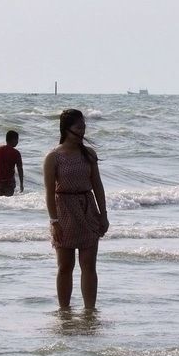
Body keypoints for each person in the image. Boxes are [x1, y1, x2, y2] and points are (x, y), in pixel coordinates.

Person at [43, 109, 109, 309]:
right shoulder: (53, 157)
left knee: (89, 266)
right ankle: (64, 311)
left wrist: (103, 215)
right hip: (64, 211)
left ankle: (90, 311)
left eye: (84, 127)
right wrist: (54, 221)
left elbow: (97, 186)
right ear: (66, 129)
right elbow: (48, 193)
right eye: (78, 128)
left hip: (87, 209)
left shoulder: (89, 154)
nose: (82, 132)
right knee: (65, 266)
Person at [0, 130, 24, 196]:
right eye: (17, 140)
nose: (17, 142)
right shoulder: (16, 153)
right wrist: (21, 184)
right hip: (8, 184)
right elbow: (20, 169)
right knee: (5, 203)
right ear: (13, 139)